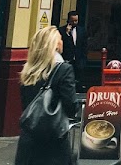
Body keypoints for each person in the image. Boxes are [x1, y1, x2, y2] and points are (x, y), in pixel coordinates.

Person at [15, 26, 77, 165]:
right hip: (53, 139)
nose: (62, 41)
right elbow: (71, 105)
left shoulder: (28, 71)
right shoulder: (64, 69)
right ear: (54, 44)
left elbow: (26, 103)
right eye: (60, 39)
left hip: (29, 138)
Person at [60, 11, 86, 88]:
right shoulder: (62, 31)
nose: (74, 22)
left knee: (77, 80)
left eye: (76, 20)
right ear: (68, 20)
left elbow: (84, 46)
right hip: (67, 60)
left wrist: (83, 59)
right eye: (72, 21)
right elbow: (64, 45)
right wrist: (67, 34)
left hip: (78, 60)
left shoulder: (81, 31)